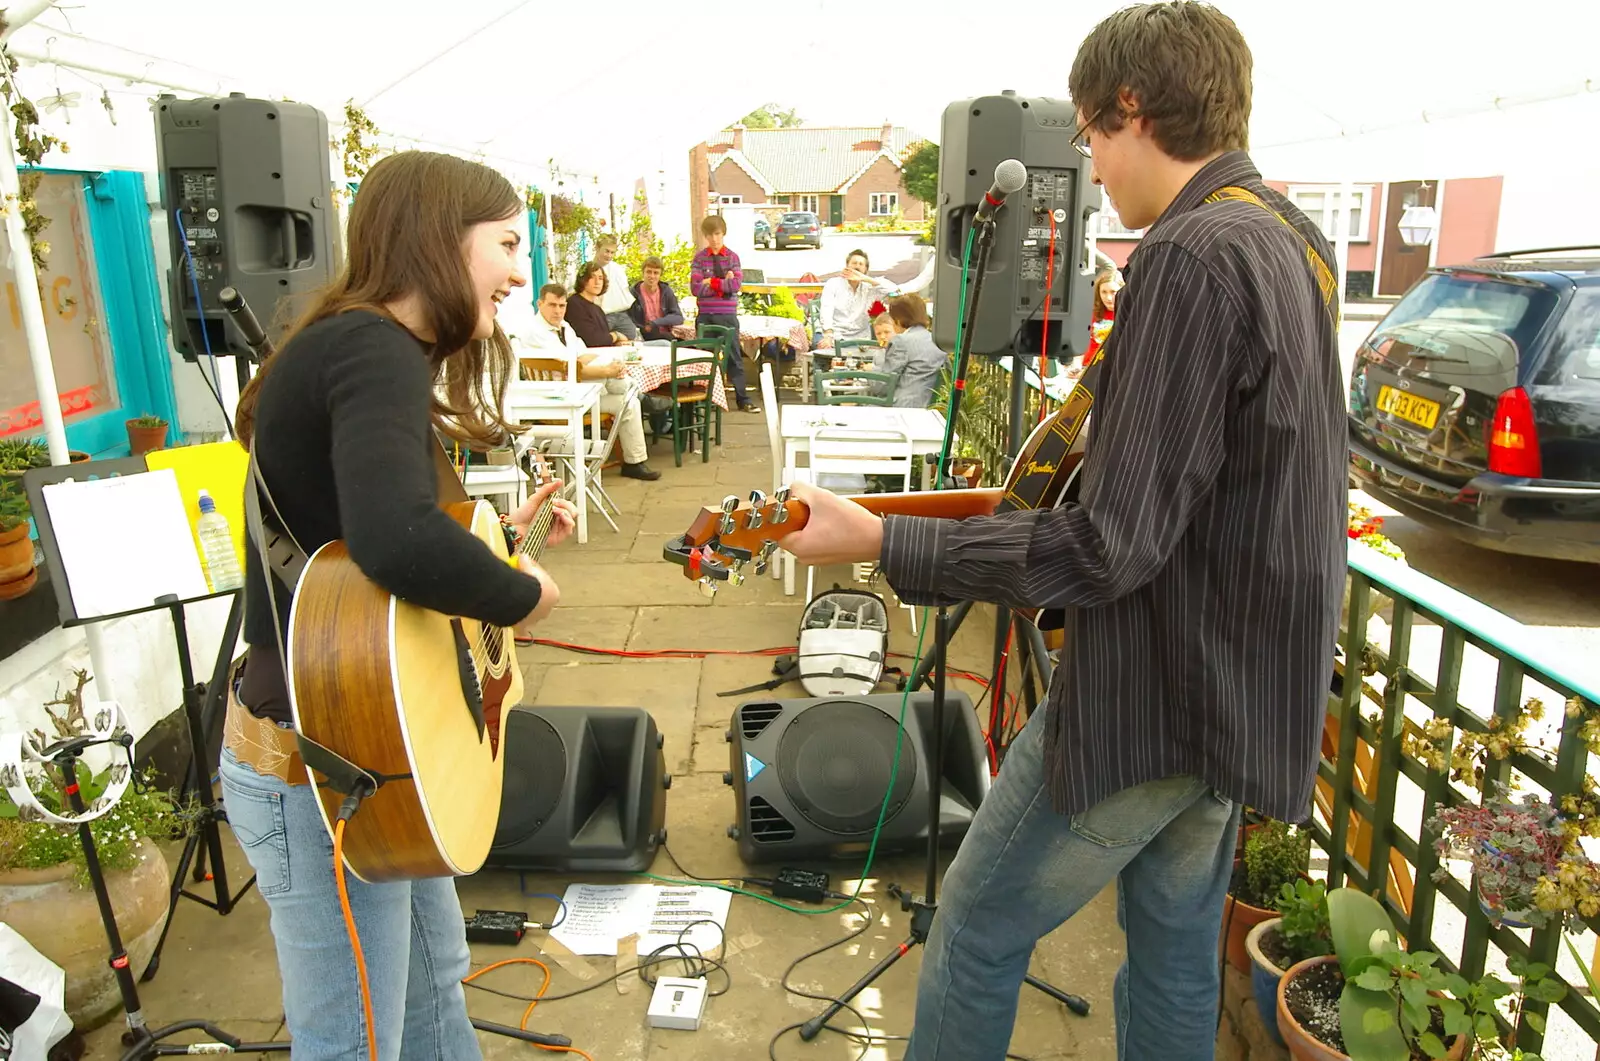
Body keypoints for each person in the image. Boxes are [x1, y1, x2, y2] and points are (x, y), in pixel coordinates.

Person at [780, 4, 1346, 1058]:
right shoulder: (1290, 237)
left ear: (1129, 107)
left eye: (1087, 134)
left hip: (1154, 697)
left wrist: (882, 538)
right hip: (1246, 690)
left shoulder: (1189, 254)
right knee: (1174, 947)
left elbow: (1106, 545)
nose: (1088, 160)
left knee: (978, 926)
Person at [223, 150, 580, 1060]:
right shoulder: (373, 346)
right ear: (437, 238)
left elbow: (370, 535)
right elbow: (392, 541)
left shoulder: (352, 343)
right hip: (321, 771)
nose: (518, 271)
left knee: (431, 991)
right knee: (355, 1038)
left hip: (368, 758)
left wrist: (496, 532)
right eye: (505, 242)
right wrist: (518, 590)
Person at [523, 283, 661, 480]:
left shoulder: (564, 327)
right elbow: (568, 368)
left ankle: (634, 462)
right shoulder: (535, 332)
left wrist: (594, 366)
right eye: (552, 305)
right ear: (540, 304)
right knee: (612, 376)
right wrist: (605, 370)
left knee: (629, 402)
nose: (558, 311)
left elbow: (584, 355)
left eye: (562, 306)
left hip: (580, 392)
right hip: (558, 399)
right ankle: (637, 390)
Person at [690, 214, 758, 413]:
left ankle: (742, 399)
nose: (714, 239)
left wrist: (710, 282)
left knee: (734, 357)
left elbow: (736, 285)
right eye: (710, 235)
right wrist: (723, 284)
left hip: (727, 315)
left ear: (723, 234)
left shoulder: (732, 257)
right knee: (705, 359)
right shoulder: (700, 258)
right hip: (705, 315)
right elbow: (695, 288)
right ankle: (706, 399)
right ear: (705, 236)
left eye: (717, 234)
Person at [817, 248, 895, 349]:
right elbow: (826, 310)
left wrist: (866, 279)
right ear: (847, 266)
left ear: (866, 270)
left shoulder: (869, 287)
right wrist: (828, 334)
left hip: (861, 339)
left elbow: (894, 290)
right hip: (835, 335)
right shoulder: (833, 284)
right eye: (854, 263)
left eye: (861, 264)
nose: (857, 266)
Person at [877, 295, 946, 408]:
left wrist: (870, 370)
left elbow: (883, 386)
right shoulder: (938, 341)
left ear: (897, 320)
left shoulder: (901, 341)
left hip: (901, 408)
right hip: (930, 409)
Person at [566, 260, 628, 348]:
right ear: (583, 279)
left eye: (600, 278)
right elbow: (592, 340)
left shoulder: (597, 309)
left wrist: (616, 343)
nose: (597, 282)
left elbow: (604, 339)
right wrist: (616, 335)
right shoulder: (574, 304)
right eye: (592, 277)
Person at [628, 255, 685, 341]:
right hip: (644, 335)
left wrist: (656, 323)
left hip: (665, 333)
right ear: (643, 273)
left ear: (660, 275)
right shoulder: (633, 292)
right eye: (648, 272)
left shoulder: (666, 291)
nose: (652, 276)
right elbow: (629, 318)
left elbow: (678, 317)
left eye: (656, 273)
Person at [593, 234, 640, 340]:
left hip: (621, 314)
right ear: (597, 248)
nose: (609, 255)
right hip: (603, 316)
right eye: (606, 251)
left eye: (612, 252)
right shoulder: (588, 269)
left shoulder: (617, 269)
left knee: (632, 339)